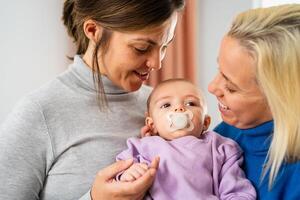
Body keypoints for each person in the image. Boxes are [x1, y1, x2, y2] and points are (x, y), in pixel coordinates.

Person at [0, 0, 185, 199]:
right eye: (141, 48)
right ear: (93, 30)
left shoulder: (164, 107)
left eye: (164, 46)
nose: (157, 63)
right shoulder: (39, 113)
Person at [208, 4, 300, 200]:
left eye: (231, 87)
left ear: (281, 99)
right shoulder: (226, 134)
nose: (212, 87)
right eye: (219, 70)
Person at [117, 79, 256, 200]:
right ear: (152, 124)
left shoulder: (220, 146)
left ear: (205, 123)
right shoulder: (143, 147)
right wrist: (127, 175)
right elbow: (119, 173)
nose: (179, 108)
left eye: (190, 103)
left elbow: (236, 189)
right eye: (166, 105)